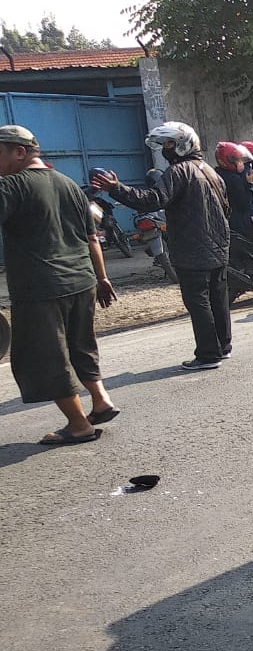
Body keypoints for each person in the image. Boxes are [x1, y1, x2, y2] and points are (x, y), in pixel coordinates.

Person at [0, 124, 119, 444]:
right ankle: (101, 399)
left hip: (41, 288)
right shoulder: (69, 184)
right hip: (81, 281)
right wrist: (102, 278)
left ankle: (79, 424)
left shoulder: (11, 186)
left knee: (47, 356)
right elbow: (92, 238)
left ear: (19, 152)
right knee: (81, 346)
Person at [92, 122, 232, 370]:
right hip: (219, 246)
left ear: (182, 144)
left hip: (192, 249)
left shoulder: (179, 172)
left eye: (168, 144)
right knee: (217, 299)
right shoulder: (210, 171)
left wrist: (116, 189)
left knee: (198, 301)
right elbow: (225, 209)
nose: (166, 149)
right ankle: (223, 346)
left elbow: (152, 200)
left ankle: (209, 354)